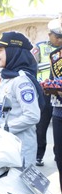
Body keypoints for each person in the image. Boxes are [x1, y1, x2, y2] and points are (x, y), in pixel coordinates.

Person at [0, 31, 41, 167]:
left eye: (1, 50)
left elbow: (33, 116)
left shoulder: (22, 81)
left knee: (20, 188)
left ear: (13, 52)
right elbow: (5, 107)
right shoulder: (9, 77)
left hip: (21, 149)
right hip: (7, 145)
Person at [31, 18, 62, 166]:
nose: (48, 36)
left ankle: (58, 154)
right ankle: (39, 155)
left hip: (56, 94)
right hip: (44, 93)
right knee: (41, 126)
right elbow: (31, 65)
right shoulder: (40, 47)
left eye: (52, 33)